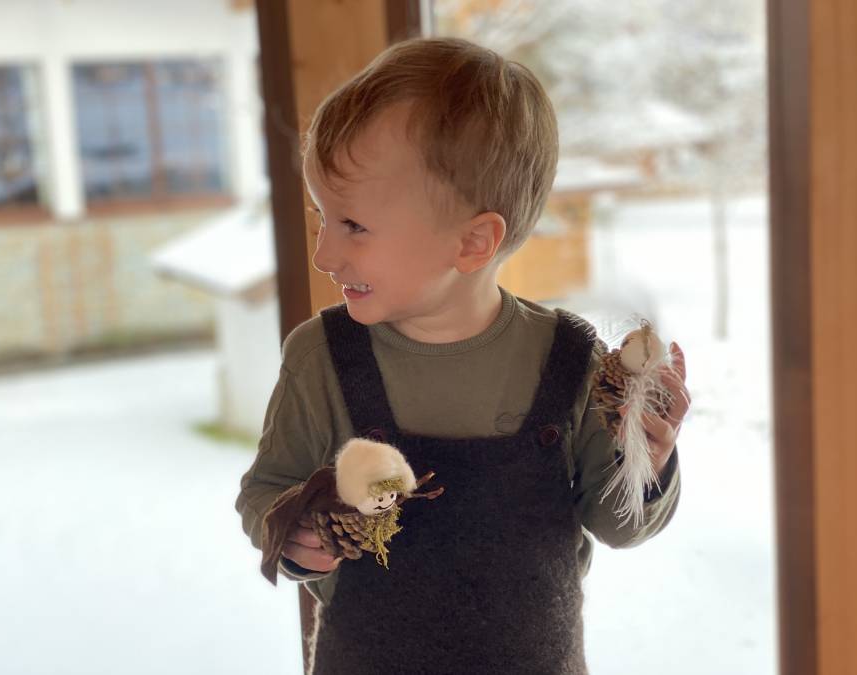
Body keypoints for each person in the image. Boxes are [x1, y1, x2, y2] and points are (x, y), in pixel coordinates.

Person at [235, 36, 689, 675]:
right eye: (322, 218)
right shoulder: (322, 357)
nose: (325, 255)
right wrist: (296, 534)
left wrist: (647, 458)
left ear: (474, 242)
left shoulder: (568, 357)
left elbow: (620, 524)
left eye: (354, 227)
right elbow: (267, 490)